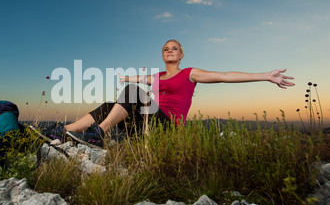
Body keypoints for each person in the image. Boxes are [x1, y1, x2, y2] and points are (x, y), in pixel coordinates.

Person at [48, 39, 295, 147]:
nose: (170, 51)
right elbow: (138, 80)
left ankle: (98, 134)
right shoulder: (157, 77)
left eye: (174, 48)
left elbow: (226, 76)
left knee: (132, 92)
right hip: (149, 125)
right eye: (166, 48)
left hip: (167, 129)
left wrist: (265, 75)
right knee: (110, 103)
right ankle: (65, 132)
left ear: (181, 54)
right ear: (163, 54)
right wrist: (123, 77)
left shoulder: (190, 73)